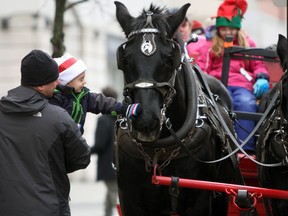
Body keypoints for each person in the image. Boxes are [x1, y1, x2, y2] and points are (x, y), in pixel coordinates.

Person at [0, 49, 91, 215]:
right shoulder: (59, 118)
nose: (58, 82)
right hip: (49, 208)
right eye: (53, 79)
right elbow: (82, 158)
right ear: (41, 85)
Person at [197, 0, 270, 153]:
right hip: (218, 84)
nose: (228, 32)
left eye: (232, 29)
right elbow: (203, 67)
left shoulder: (247, 43)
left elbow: (258, 64)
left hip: (242, 85)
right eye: (224, 29)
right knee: (218, 106)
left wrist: (261, 77)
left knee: (246, 103)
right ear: (218, 29)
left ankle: (245, 149)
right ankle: (220, 146)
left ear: (238, 28)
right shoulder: (210, 46)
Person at [49, 53, 141, 134]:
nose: (84, 82)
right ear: (67, 82)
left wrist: (124, 109)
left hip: (74, 142)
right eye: (81, 79)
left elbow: (103, 103)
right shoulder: (56, 98)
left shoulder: (83, 96)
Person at [91, 86, 119, 216]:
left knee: (115, 197)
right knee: (110, 195)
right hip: (119, 163)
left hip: (108, 165)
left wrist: (85, 150)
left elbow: (100, 145)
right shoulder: (119, 118)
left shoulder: (103, 120)